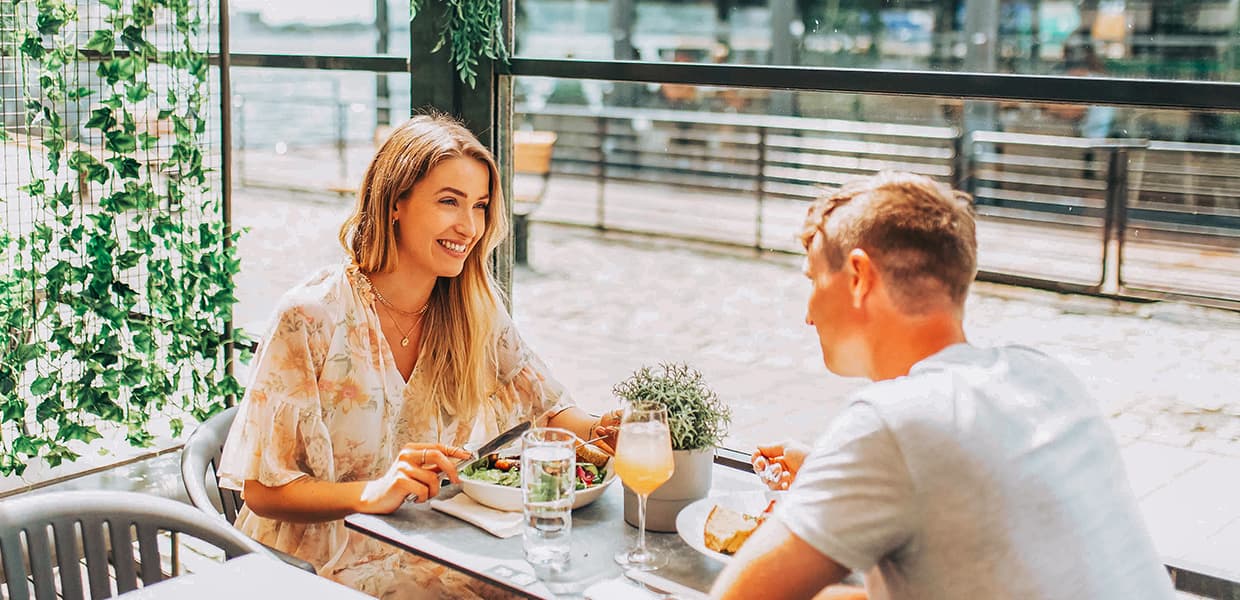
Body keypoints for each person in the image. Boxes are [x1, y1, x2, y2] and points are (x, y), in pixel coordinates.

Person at [711, 172, 1174, 600]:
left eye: (813, 280)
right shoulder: (1045, 376)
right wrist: (824, 474)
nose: (808, 313)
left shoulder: (890, 423)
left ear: (858, 277)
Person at [217, 113, 618, 599]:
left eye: (480, 205)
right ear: (395, 204)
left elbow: (547, 407)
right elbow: (260, 492)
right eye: (449, 201)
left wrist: (611, 434)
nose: (468, 226)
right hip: (315, 565)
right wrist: (371, 492)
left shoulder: (473, 310)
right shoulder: (311, 316)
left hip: (430, 548)